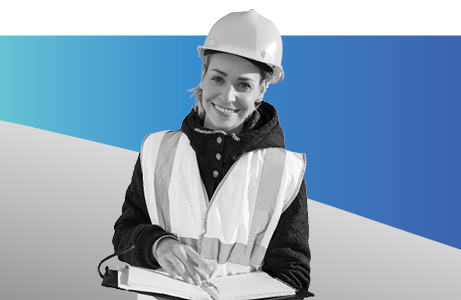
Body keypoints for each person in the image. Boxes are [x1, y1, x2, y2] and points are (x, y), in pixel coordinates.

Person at [112, 10, 311, 299]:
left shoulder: (283, 172)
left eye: (244, 84)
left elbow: (293, 275)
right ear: (203, 74)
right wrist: (158, 245)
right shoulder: (157, 151)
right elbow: (125, 233)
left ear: (262, 90)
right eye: (218, 78)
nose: (227, 96)